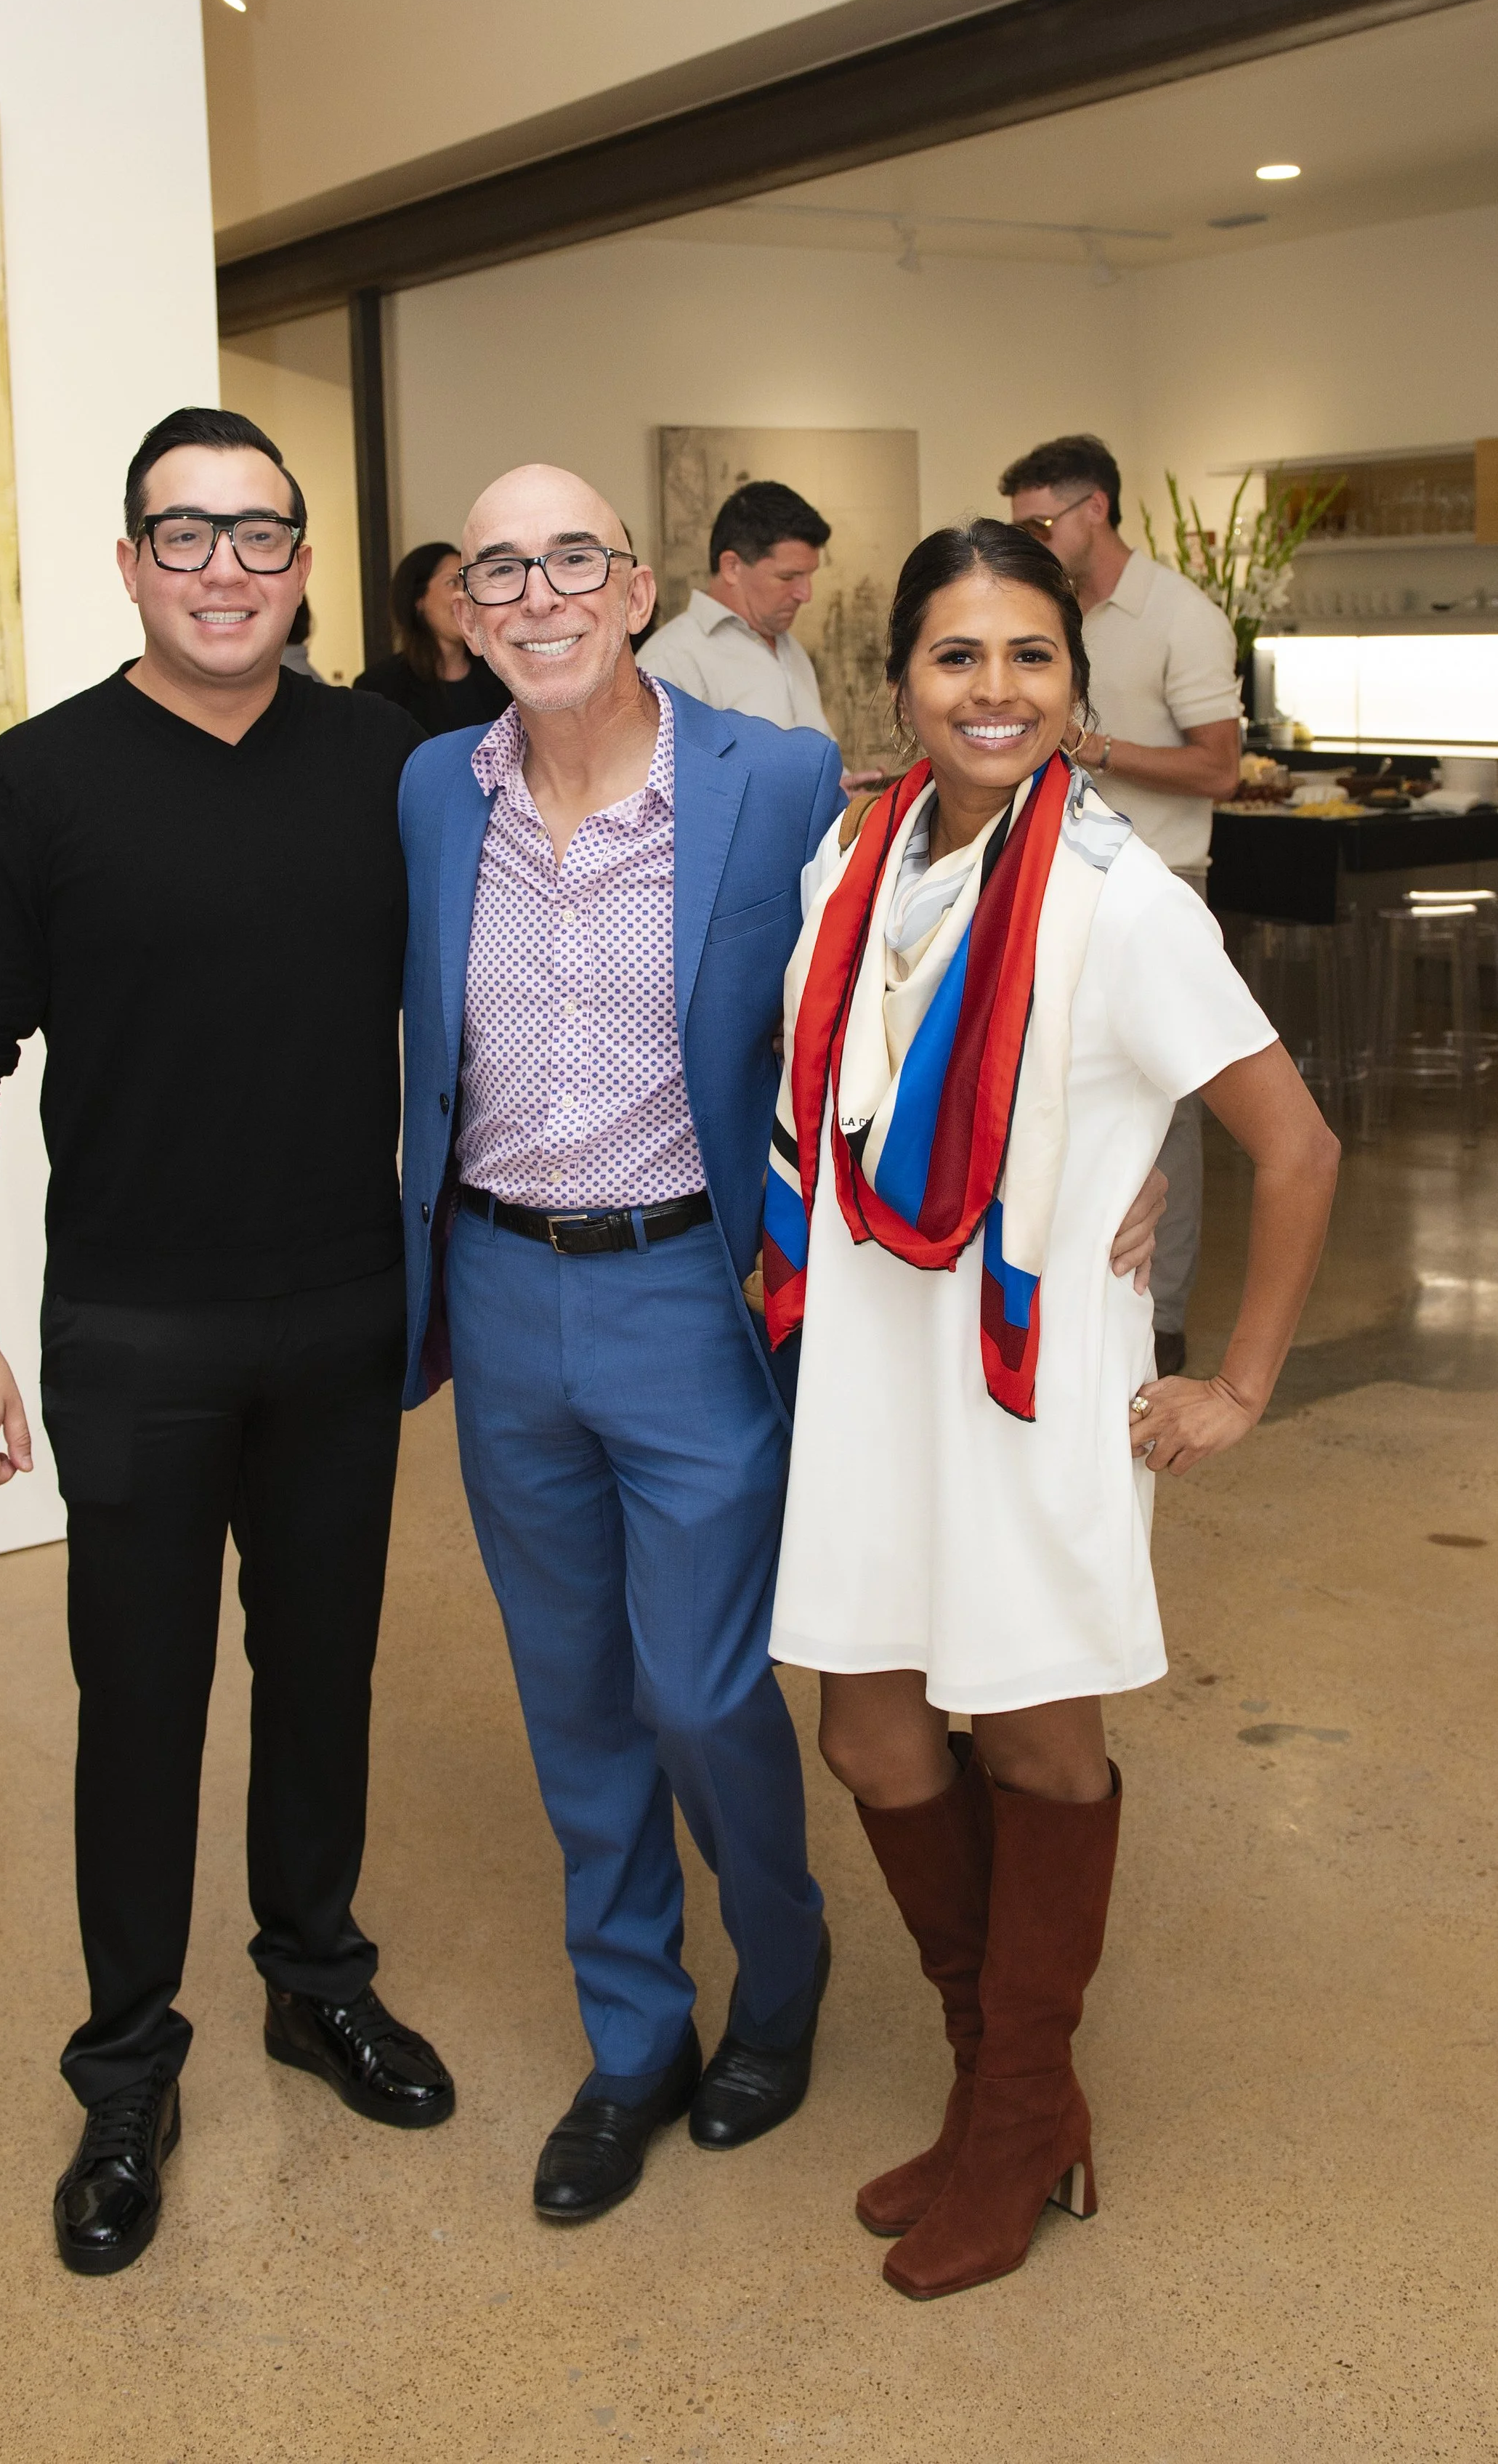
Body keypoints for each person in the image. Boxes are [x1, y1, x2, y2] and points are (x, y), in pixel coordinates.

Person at [396, 469, 1164, 2227]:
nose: (537, 594)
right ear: (463, 607)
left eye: (572, 559)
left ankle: (782, 1966)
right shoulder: (434, 788)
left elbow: (974, 949)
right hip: (498, 1279)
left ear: (636, 586)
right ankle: (632, 2033)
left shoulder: (776, 781)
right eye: (500, 568)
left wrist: (1133, 1133)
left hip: (695, 1285)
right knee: (571, 1688)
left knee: (702, 1683)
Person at [0, 407, 454, 2282]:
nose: (225, 567)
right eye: (185, 533)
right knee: (139, 1704)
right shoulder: (34, 783)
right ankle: (128, 2063)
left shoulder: (390, 765)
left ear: (303, 561)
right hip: (134, 1326)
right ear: (130, 562)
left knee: (322, 1673)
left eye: (259, 532)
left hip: (343, 1305)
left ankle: (316, 1977)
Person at [765, 520, 1337, 2301]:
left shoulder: (1121, 898)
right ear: (900, 684)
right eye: (956, 655)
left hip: (1022, 1389)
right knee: (871, 1735)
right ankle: (1003, 2080)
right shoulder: (852, 859)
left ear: (1075, 687)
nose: (993, 688)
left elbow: (1297, 1144)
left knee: (1031, 1743)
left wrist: (1235, 1382)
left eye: (1030, 655)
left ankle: (1013, 2114)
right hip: (872, 1375)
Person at [999, 434, 1243, 1376]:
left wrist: (1090, 745)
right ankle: (1069, 1296)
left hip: (1160, 881)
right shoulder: (1046, 611)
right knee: (1063, 1084)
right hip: (1055, 875)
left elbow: (1218, 768)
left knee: (1166, 1106)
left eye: (1038, 523)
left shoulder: (1182, 615)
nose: (1029, 539)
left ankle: (1164, 1318)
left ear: (1093, 508)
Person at [639, 479, 835, 737]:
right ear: (732, 567)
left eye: (810, 576)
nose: (806, 594)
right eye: (788, 577)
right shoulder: (670, 662)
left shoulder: (791, 649)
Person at [355, 538, 511, 736]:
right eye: (452, 582)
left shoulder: (501, 673)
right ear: (418, 599)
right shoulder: (381, 687)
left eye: (467, 583)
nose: (464, 595)